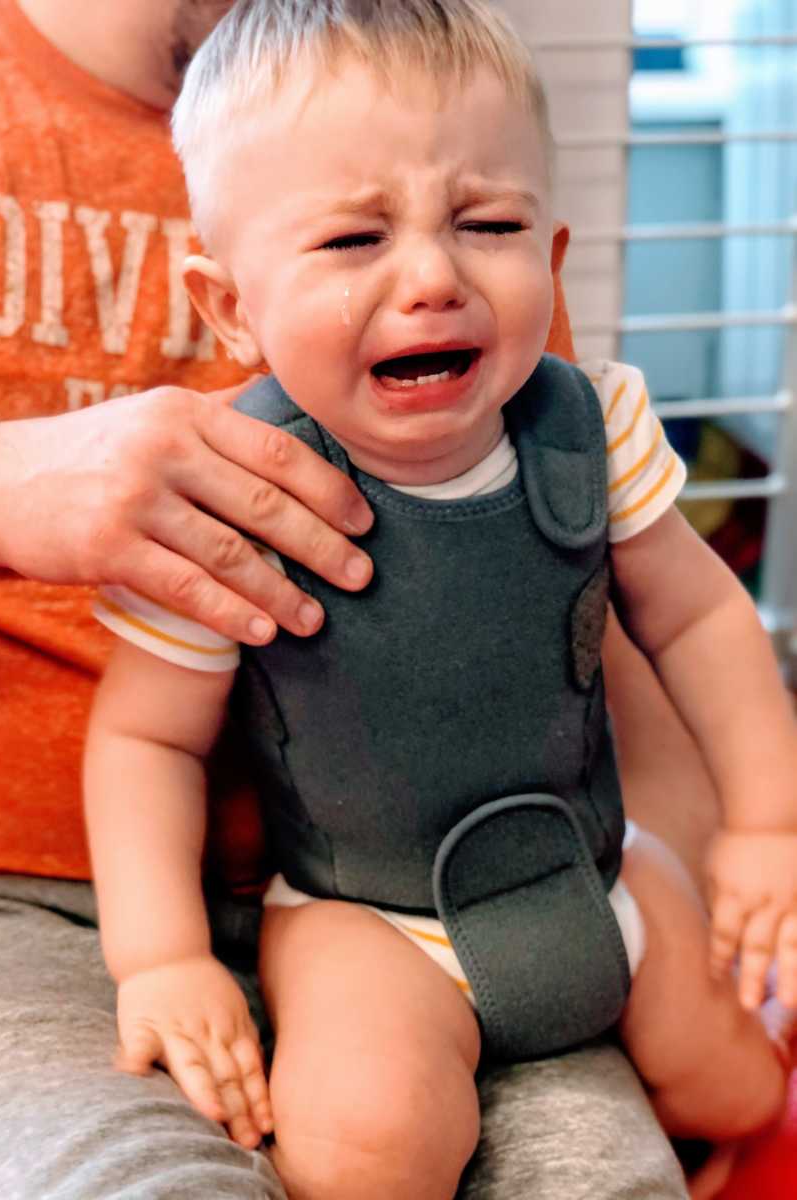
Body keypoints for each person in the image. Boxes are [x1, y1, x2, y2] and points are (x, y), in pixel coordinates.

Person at [0, 0, 697, 1196]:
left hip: (460, 895)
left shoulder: (443, 108)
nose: (433, 268)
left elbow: (596, 624)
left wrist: (725, 889)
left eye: (481, 224)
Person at [84, 3, 797, 1198]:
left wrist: (768, 824)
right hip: (365, 922)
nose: (432, 276)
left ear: (553, 257)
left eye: (489, 222)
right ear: (230, 306)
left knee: (739, 1090)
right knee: (368, 1148)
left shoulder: (593, 429)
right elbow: (145, 733)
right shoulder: (227, 492)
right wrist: (160, 957)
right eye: (354, 240)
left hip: (598, 879)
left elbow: (702, 618)